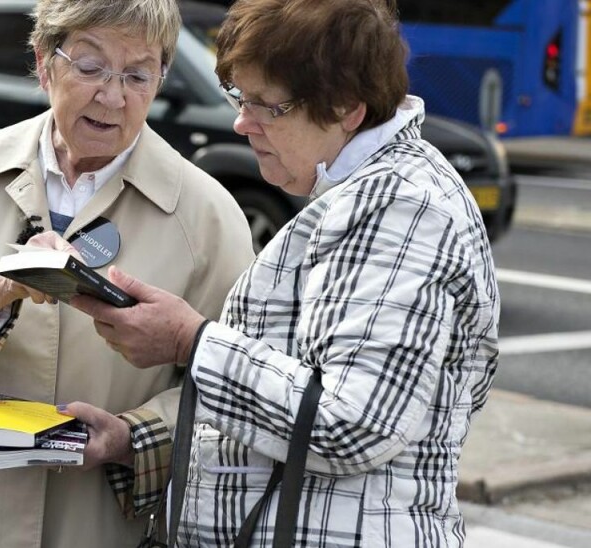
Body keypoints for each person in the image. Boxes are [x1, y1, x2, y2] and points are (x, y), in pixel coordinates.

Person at [69, 0, 501, 545]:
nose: (242, 122)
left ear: (347, 108)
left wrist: (190, 342)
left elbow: (352, 424)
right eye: (239, 98)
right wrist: (134, 440)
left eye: (267, 106)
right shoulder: (374, 192)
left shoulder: (401, 206)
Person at [0, 0, 255, 546]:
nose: (113, 96)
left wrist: (131, 437)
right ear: (44, 62)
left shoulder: (208, 216)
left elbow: (236, 388)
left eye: (138, 74)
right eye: (90, 66)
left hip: (97, 525)